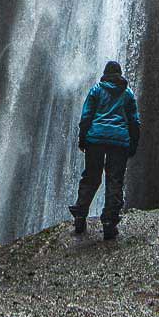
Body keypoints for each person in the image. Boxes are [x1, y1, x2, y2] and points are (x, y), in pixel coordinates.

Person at [68, 60, 140, 240]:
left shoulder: (96, 90)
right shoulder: (127, 94)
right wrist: (133, 143)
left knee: (91, 176)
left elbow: (86, 116)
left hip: (96, 139)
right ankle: (109, 222)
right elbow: (134, 122)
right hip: (119, 142)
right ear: (120, 74)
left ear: (105, 73)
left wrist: (83, 138)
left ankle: (80, 215)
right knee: (114, 180)